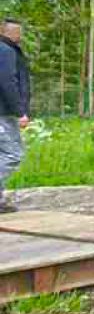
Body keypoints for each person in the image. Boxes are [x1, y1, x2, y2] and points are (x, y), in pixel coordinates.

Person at [0, 18, 30, 213]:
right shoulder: (6, 51)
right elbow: (7, 81)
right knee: (13, 154)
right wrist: (20, 112)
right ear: (11, 32)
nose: (21, 36)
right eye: (19, 32)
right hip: (3, 113)